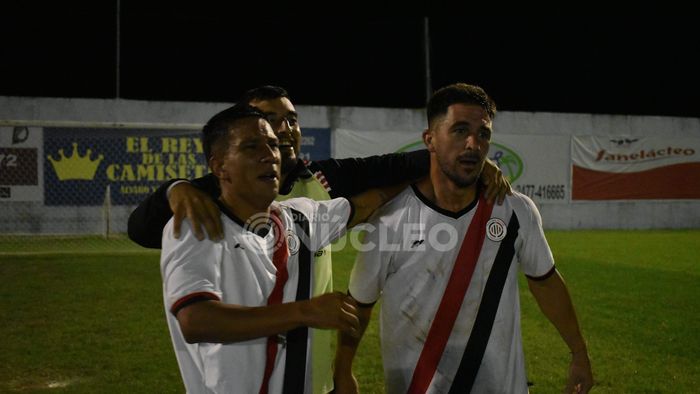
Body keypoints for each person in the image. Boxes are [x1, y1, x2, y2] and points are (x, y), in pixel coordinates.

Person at [130, 85, 510, 393]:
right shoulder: (197, 218)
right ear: (219, 166)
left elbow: (372, 195)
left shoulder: (302, 210)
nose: (275, 145)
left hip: (313, 376)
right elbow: (195, 319)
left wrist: (461, 159)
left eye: (287, 125)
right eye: (257, 139)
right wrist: (173, 189)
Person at [334, 83, 593, 394]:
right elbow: (359, 306)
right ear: (429, 140)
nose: (473, 143)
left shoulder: (515, 210)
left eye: (483, 134)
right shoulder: (389, 220)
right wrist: (342, 372)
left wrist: (579, 353)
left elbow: (545, 281)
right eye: (459, 130)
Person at [161, 103, 402, 393]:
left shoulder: (299, 216)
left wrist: (438, 175)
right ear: (219, 166)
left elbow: (368, 202)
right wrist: (305, 312)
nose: (269, 155)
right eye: (252, 147)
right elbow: (196, 320)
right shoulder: (196, 225)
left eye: (273, 145)